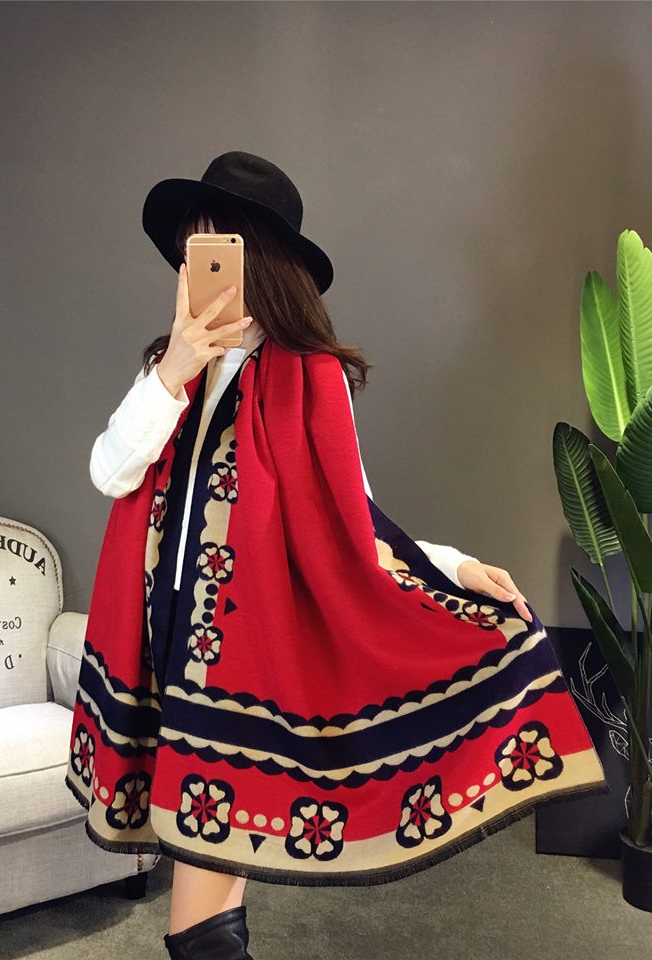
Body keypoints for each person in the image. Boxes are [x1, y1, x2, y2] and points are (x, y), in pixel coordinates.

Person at [68, 152, 605, 960]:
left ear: (260, 260)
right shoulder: (165, 371)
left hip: (239, 669)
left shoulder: (308, 377)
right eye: (189, 254)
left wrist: (452, 567)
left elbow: (352, 519)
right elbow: (111, 472)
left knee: (201, 887)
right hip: (155, 647)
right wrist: (175, 369)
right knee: (216, 870)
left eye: (215, 251)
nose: (194, 272)